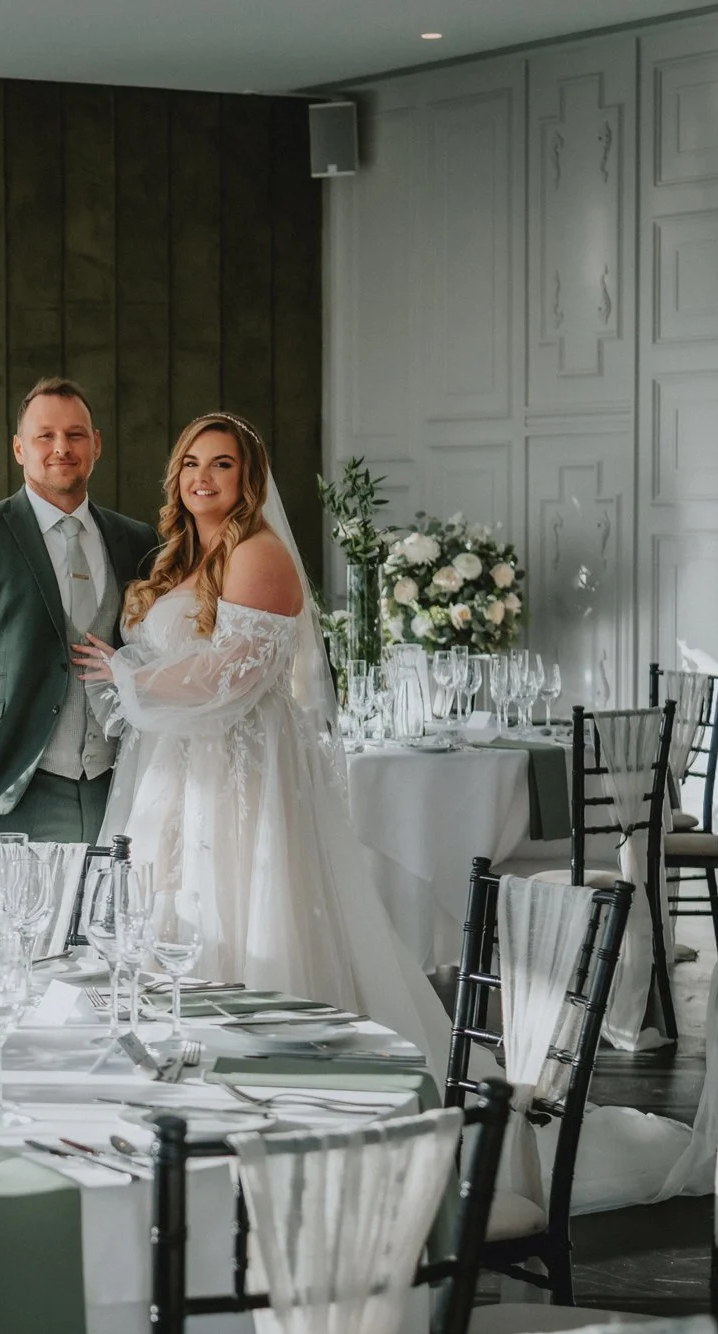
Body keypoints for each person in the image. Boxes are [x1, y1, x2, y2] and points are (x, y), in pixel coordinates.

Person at [73, 411, 450, 1065]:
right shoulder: (177, 558)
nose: (202, 476)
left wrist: (127, 673)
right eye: (191, 463)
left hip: (240, 764)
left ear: (248, 479)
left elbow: (230, 676)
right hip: (171, 766)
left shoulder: (259, 553)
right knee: (167, 908)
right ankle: (176, 1063)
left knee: (239, 903)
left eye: (221, 463)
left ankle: (265, 1067)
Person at [0, 377, 160, 843]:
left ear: (96, 445)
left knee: (111, 917)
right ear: (19, 449)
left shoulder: (137, 540)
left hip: (119, 785)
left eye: (75, 434)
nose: (61, 447)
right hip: (14, 788)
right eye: (44, 435)